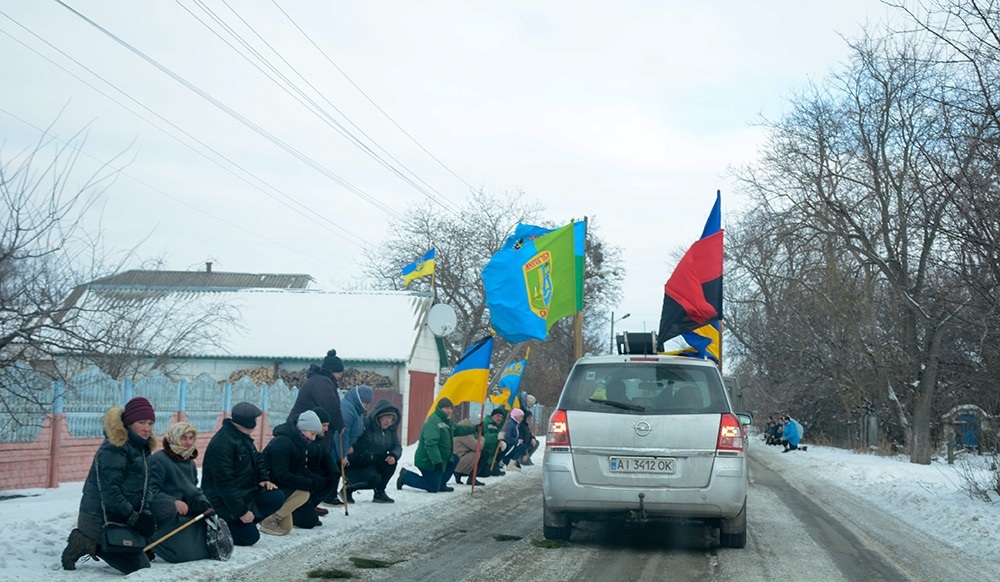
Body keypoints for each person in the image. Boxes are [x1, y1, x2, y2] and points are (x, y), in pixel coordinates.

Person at [61, 396, 160, 574]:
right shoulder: (114, 448)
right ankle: (85, 540)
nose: (147, 428)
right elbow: (110, 493)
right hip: (99, 517)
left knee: (143, 563)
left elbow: (148, 487)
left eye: (150, 423)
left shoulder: (142, 448)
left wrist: (144, 514)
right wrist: (134, 519)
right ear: (129, 423)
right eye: (141, 422)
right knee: (139, 567)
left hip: (123, 515)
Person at [202, 402, 285, 547]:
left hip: (245, 494)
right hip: (222, 503)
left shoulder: (243, 437)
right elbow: (224, 484)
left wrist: (264, 479)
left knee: (276, 496)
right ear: (248, 420)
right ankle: (220, 527)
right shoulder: (223, 443)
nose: (256, 422)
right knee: (250, 538)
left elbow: (258, 459)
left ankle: (246, 522)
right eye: (255, 419)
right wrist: (241, 512)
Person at [148, 421, 213, 564]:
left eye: (191, 438)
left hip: (187, 511)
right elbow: (150, 490)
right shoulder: (159, 459)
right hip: (166, 513)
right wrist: (172, 502)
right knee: (183, 555)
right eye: (184, 438)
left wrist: (203, 502)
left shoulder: (189, 462)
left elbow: (193, 487)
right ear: (174, 438)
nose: (188, 442)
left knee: (206, 549)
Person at [260, 410, 323, 533]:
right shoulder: (282, 443)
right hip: (269, 484)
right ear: (302, 429)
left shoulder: (299, 442)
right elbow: (280, 474)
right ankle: (270, 519)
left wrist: (315, 480)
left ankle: (274, 516)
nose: (313, 438)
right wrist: (306, 483)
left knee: (286, 528)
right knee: (303, 494)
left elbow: (298, 468)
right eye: (312, 433)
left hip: (282, 484)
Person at [396, 398, 477, 493]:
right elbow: (431, 444)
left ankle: (441, 484)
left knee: (454, 459)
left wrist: (475, 428)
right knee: (433, 487)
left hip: (440, 459)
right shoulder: (433, 421)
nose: (449, 411)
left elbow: (458, 429)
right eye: (446, 408)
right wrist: (437, 462)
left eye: (451, 408)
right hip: (428, 461)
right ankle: (406, 476)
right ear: (439, 408)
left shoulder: (447, 421)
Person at [345, 398, 402, 503]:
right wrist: (349, 447)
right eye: (386, 417)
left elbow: (397, 446)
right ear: (379, 416)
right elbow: (351, 436)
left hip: (375, 463)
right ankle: (347, 489)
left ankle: (379, 493)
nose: (389, 421)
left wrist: (394, 455)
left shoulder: (390, 431)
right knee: (374, 479)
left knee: (390, 463)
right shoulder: (365, 425)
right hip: (358, 463)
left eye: (391, 418)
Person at [331, 385, 375, 504]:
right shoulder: (347, 409)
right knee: (333, 471)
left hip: (344, 447)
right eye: (365, 402)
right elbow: (342, 434)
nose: (366, 405)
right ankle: (329, 496)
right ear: (358, 398)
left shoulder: (356, 408)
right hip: (337, 448)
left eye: (368, 403)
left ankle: (331, 494)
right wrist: (343, 454)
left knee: (337, 471)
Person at [288, 349, 346, 436]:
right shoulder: (323, 383)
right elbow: (330, 406)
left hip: (303, 426)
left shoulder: (318, 380)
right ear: (331, 371)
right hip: (305, 428)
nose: (339, 377)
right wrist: (340, 426)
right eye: (339, 374)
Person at [305, 407, 339, 516]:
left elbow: (326, 457)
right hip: (303, 478)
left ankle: (312, 504)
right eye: (324, 425)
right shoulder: (305, 441)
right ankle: (304, 505)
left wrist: (334, 471)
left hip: (313, 474)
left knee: (332, 475)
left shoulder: (319, 441)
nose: (326, 429)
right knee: (309, 522)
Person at [452, 419, 486, 486]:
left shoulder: (462, 427)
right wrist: (481, 436)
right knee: (483, 453)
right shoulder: (465, 432)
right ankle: (472, 478)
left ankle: (459, 474)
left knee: (486, 472)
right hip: (460, 459)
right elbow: (477, 446)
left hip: (458, 456)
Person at [481, 407, 507, 477]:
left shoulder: (496, 426)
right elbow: (485, 438)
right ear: (492, 415)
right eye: (497, 416)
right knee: (487, 472)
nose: (499, 419)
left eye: (501, 417)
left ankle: (496, 464)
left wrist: (501, 442)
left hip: (492, 455)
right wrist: (497, 436)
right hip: (484, 453)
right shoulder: (485, 424)